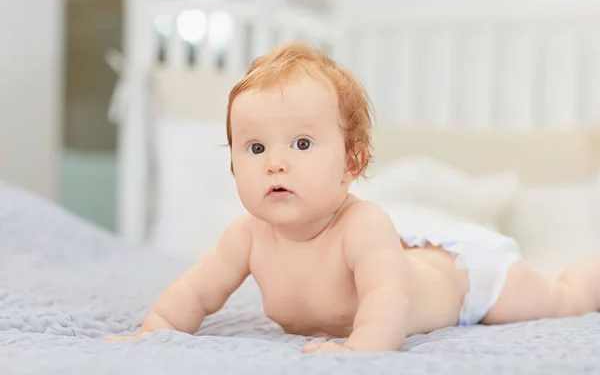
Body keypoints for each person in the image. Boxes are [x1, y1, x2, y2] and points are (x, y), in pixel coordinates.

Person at [104, 41, 600, 353]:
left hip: (469, 280)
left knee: (559, 300)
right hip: (426, 263)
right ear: (234, 165)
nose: (275, 162)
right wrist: (157, 331)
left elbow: (387, 299)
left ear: (352, 164)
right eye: (255, 147)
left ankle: (589, 274)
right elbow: (194, 293)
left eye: (301, 144)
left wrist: (361, 349)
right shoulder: (247, 237)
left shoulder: (362, 226)